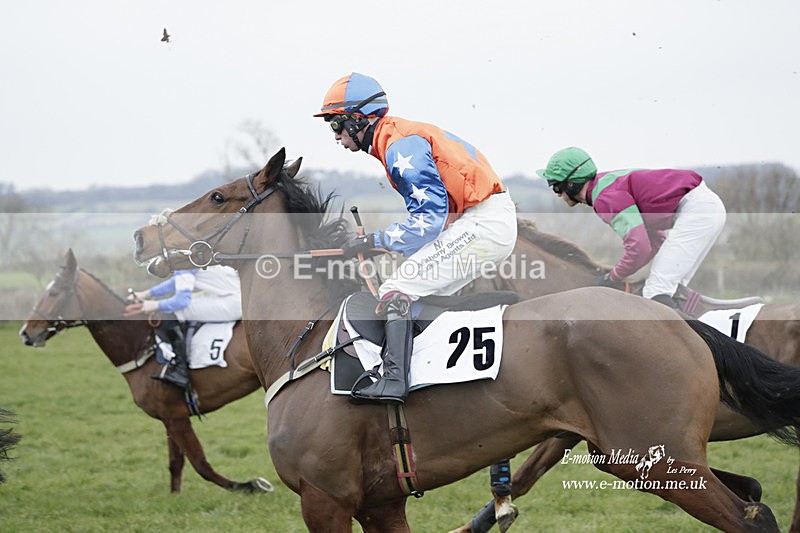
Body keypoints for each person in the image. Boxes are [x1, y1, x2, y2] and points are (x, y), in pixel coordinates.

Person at [314, 72, 517, 404]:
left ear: (358, 119)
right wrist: (382, 245)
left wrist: (373, 240)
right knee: (417, 290)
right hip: (479, 221)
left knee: (396, 289)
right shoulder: (396, 138)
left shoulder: (399, 146)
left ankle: (394, 380)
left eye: (336, 124)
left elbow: (428, 221)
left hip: (483, 222)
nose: (335, 135)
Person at [537, 146, 727, 308]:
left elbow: (639, 247)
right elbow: (655, 241)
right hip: (703, 207)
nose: (558, 194)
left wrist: (612, 276)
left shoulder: (604, 197)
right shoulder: (605, 186)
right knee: (674, 289)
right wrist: (620, 274)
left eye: (556, 187)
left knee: (656, 291)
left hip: (696, 211)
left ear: (571, 184)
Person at [124, 265, 242, 389]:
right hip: (238, 296)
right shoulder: (189, 256)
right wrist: (146, 294)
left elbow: (181, 301)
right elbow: (177, 281)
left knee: (172, 311)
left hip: (232, 303)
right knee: (181, 303)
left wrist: (155, 305)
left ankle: (180, 371)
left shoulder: (181, 261)